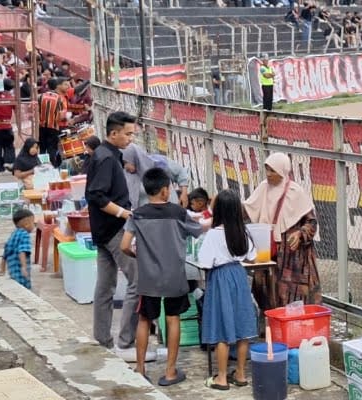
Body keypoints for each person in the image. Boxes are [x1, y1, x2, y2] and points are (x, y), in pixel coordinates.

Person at [120, 167, 203, 386]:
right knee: (172, 318)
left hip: (148, 277)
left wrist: (138, 256)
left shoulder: (137, 214)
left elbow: (125, 245)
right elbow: (198, 230)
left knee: (145, 319)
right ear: (166, 191)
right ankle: (170, 372)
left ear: (147, 190)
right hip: (175, 275)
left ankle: (140, 369)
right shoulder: (178, 213)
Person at [86, 111, 154, 362]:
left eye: (132, 134)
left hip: (103, 231)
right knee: (137, 282)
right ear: (113, 133)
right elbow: (96, 196)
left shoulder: (109, 156)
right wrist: (124, 213)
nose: (130, 139)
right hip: (114, 230)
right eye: (127, 134)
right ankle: (125, 342)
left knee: (105, 286)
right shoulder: (105, 158)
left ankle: (102, 339)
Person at [198, 189, 258, 391]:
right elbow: (252, 256)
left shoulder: (213, 235)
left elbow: (205, 262)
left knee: (222, 328)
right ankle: (240, 374)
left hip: (220, 279)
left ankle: (221, 377)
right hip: (239, 278)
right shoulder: (243, 232)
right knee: (242, 328)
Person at [244, 152, 319, 308]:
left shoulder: (295, 192)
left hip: (292, 257)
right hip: (267, 251)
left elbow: (311, 222)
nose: (269, 175)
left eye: (273, 170)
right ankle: (269, 329)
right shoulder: (264, 188)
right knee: (266, 295)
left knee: (291, 299)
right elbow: (248, 209)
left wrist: (300, 234)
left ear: (282, 170)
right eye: (267, 170)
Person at [0, 208, 34, 289]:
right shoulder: (25, 235)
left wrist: (2, 269)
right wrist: (24, 267)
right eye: (33, 223)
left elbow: (6, 252)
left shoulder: (14, 234)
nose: (34, 225)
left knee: (17, 287)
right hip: (21, 272)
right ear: (27, 224)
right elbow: (22, 251)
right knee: (25, 289)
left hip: (12, 271)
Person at [38, 78, 65, 168]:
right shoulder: (59, 99)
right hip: (53, 127)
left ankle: (42, 166)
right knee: (52, 149)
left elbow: (34, 111)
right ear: (56, 86)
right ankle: (52, 167)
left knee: (42, 148)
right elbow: (61, 116)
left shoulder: (40, 96)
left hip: (41, 126)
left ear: (48, 86)